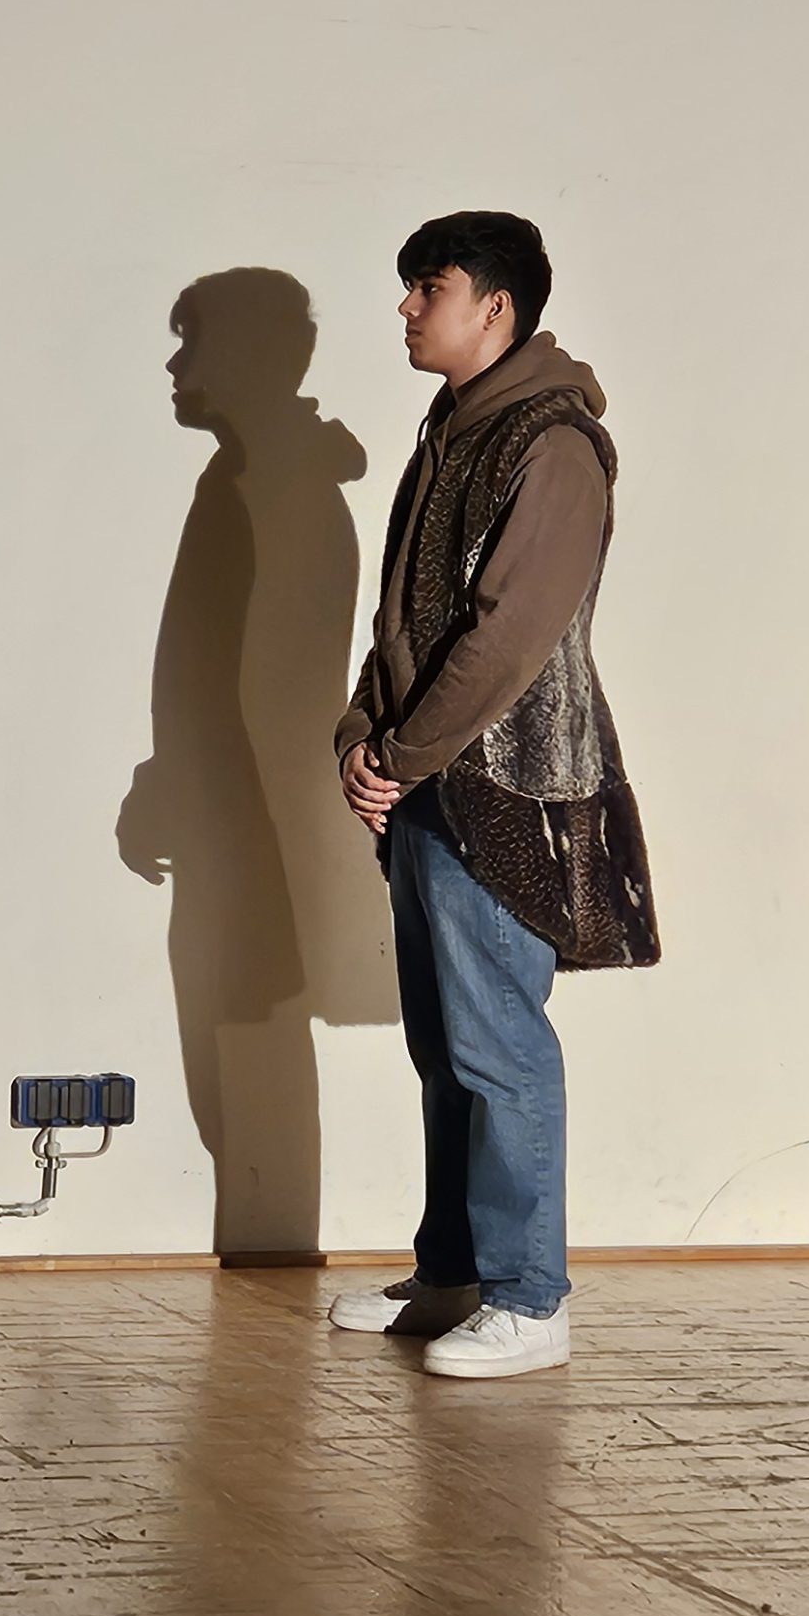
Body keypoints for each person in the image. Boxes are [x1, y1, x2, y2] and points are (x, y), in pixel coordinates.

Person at [331, 211, 658, 1379]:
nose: (408, 306)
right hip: (431, 778)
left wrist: (400, 754)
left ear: (496, 307)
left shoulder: (553, 443)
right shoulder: (453, 426)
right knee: (444, 1045)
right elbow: (405, 618)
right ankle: (457, 1274)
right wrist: (362, 738)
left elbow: (510, 637)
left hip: (509, 786)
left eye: (430, 287)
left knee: (499, 1044)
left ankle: (530, 1298)